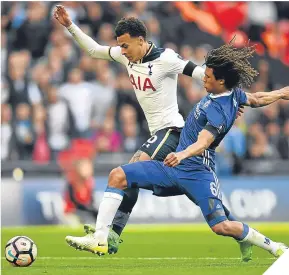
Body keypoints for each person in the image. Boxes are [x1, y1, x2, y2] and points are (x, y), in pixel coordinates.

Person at [65, 40, 289, 259]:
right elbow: (257, 98)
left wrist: (180, 154)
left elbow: (204, 141)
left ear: (221, 81)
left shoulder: (219, 111)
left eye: (208, 77)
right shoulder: (232, 94)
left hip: (197, 172)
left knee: (222, 225)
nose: (204, 79)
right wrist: (280, 93)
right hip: (173, 168)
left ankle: (274, 247)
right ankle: (101, 238)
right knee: (118, 175)